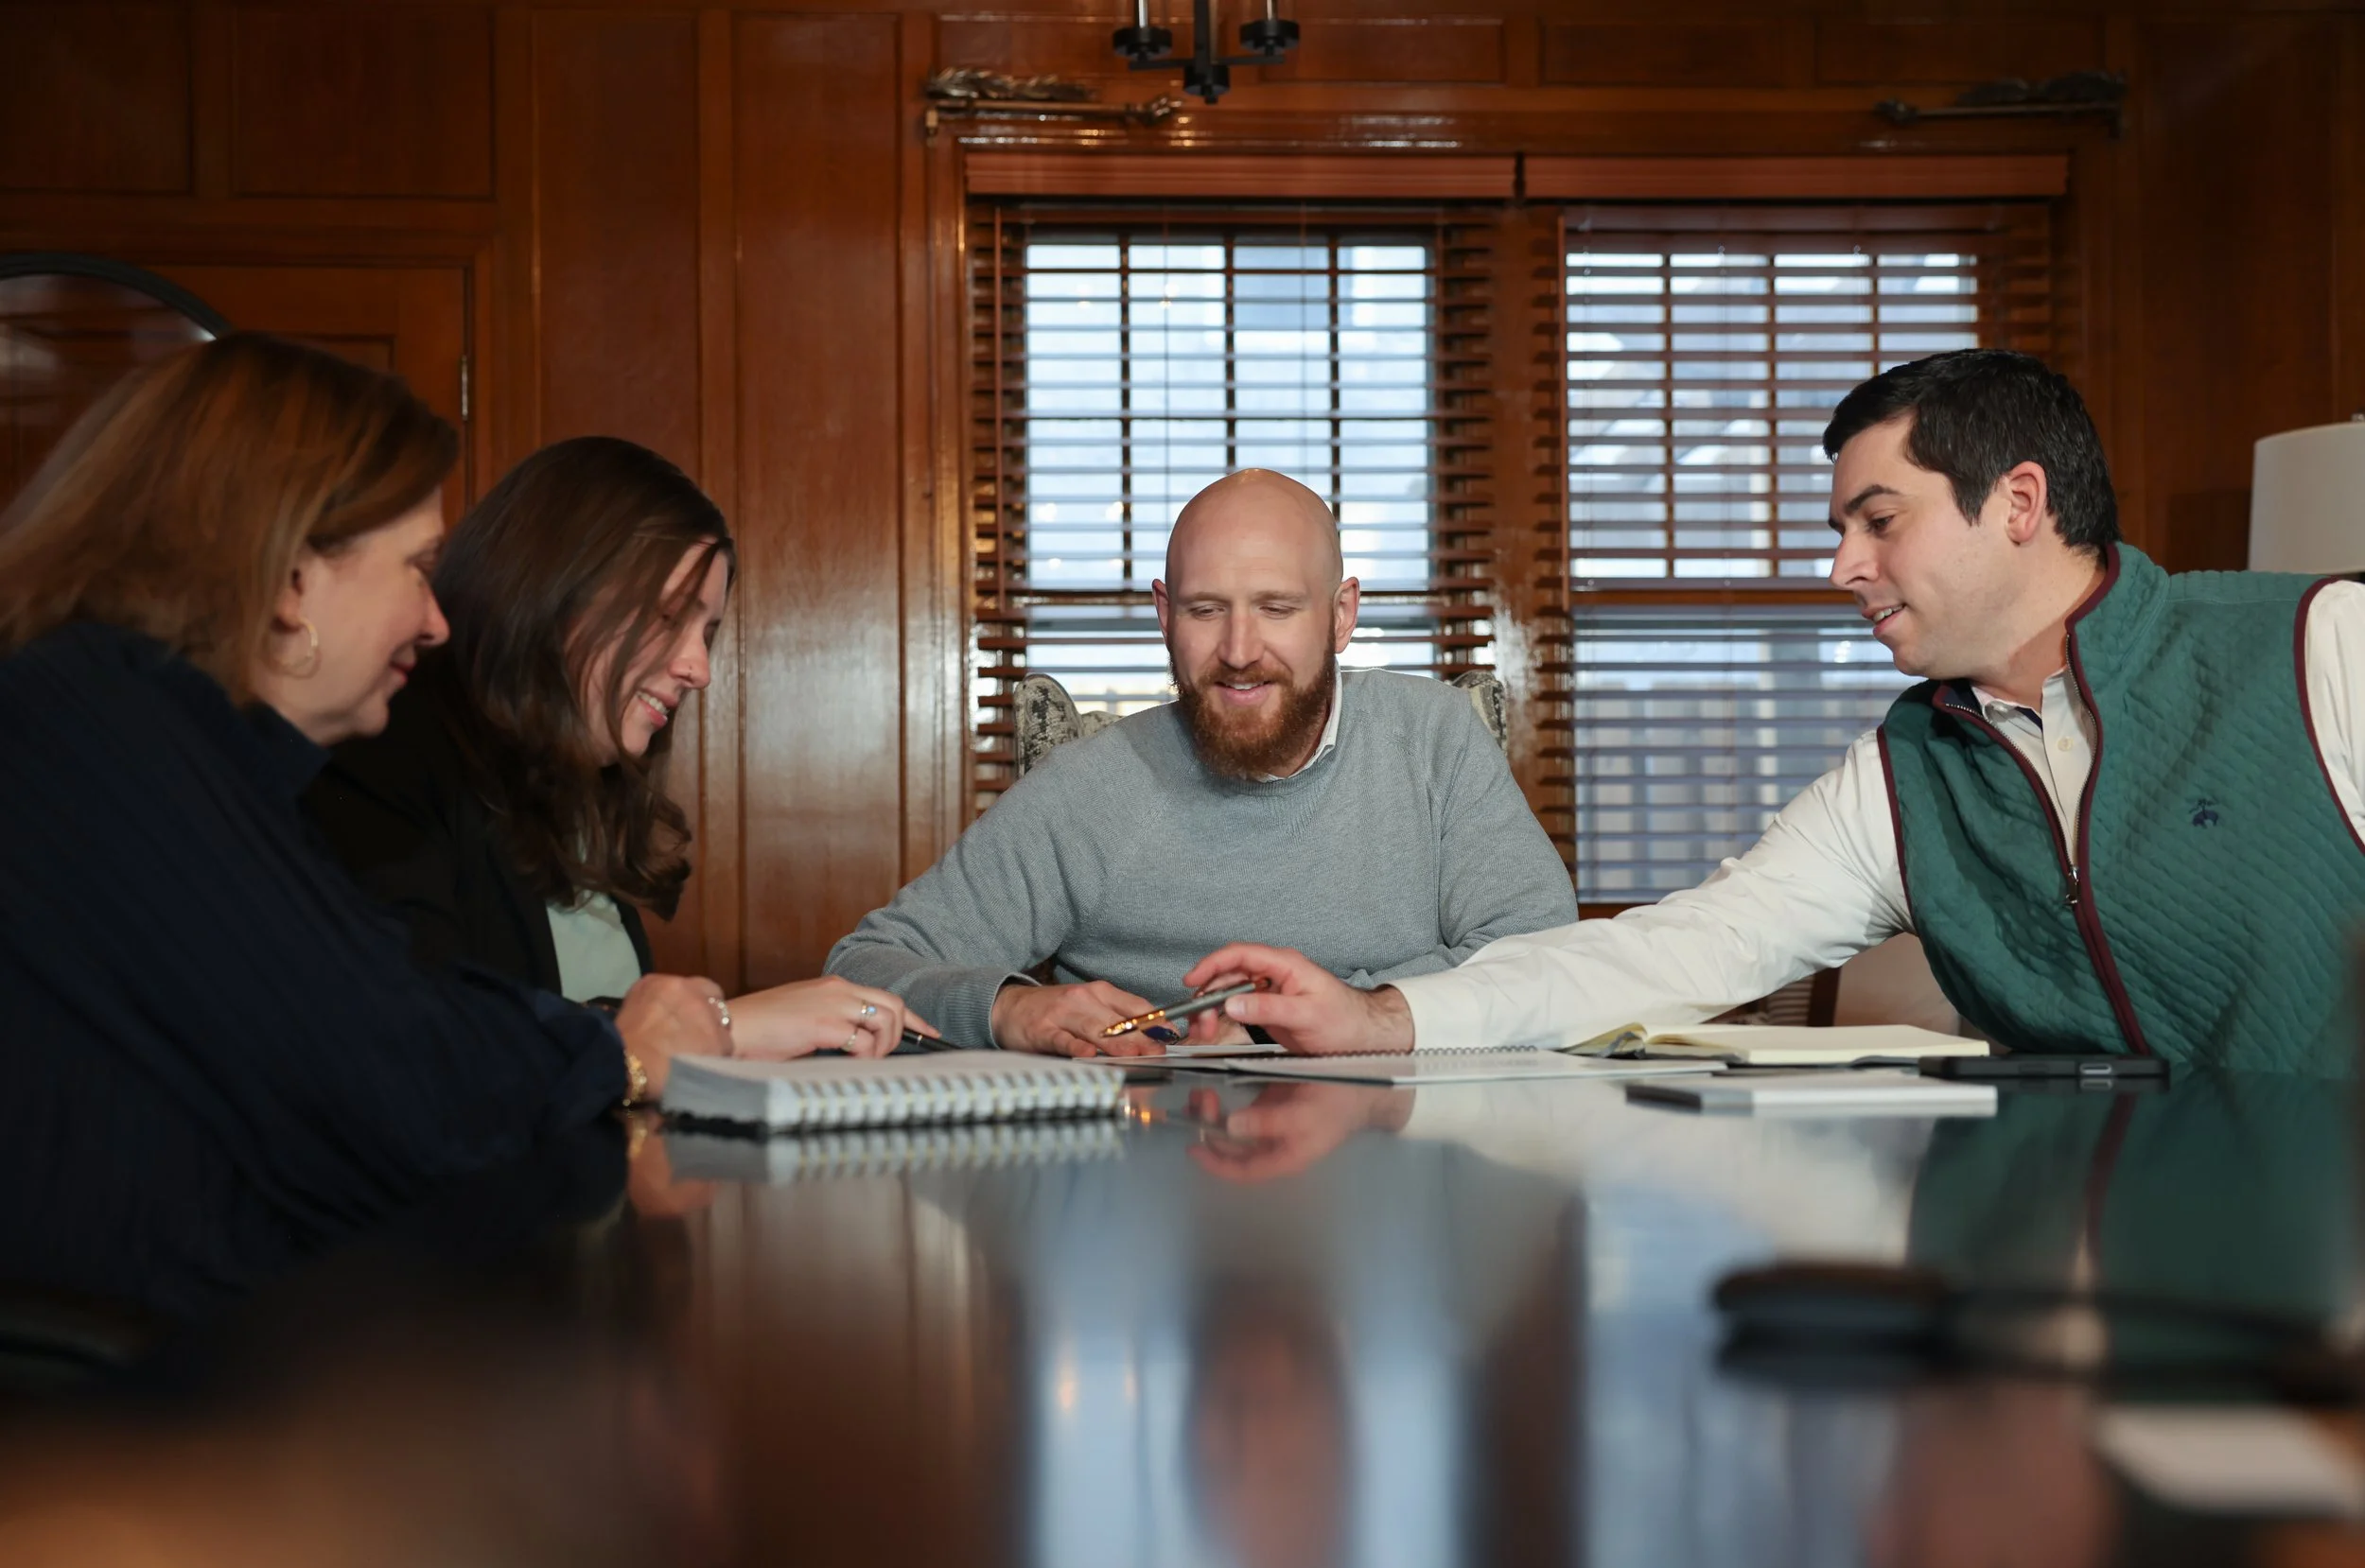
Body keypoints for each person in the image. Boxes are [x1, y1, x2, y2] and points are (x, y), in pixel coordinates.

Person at [1185, 350, 2365, 1073]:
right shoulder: (1901, 775)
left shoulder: (2320, 644)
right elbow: (1674, 950)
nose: (1841, 564)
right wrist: (1379, 1017)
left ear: (2017, 503)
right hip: (2077, 1277)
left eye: (1878, 519)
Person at [0, 333, 743, 1255]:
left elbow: (383, 1016)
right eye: (418, 569)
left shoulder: (161, 733)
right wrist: (622, 1054)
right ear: (291, 573)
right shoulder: (99, 719)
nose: (437, 620)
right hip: (138, 1383)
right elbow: (378, 1060)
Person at [825, 468, 1576, 1056]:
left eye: (1277, 608)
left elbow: (1545, 955)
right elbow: (861, 966)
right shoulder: (1088, 787)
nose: (1240, 651)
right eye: (1205, 609)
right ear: (1163, 614)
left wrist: (1340, 1013)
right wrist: (1011, 1006)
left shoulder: (1435, 740)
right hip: (1152, 1172)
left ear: (1341, 615)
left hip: (1406, 1171)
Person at [307, 437, 930, 1057]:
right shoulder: (381, 761)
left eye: (706, 632)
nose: (698, 668)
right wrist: (724, 1030)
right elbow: (420, 1048)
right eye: (667, 617)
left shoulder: (582, 804)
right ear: (552, 589)